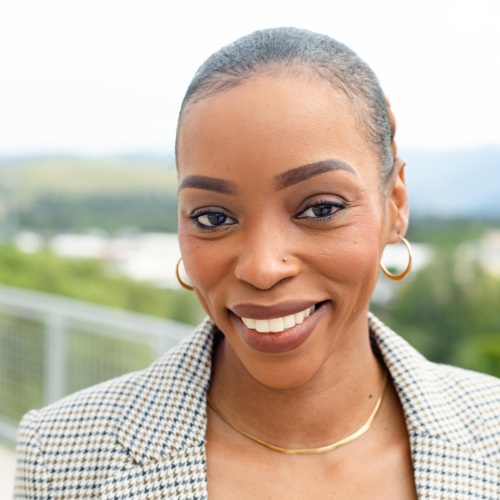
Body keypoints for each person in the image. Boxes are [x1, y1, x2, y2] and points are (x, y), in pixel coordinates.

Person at [15, 27, 500, 499]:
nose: (263, 268)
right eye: (213, 216)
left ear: (395, 204)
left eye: (321, 208)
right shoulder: (61, 459)